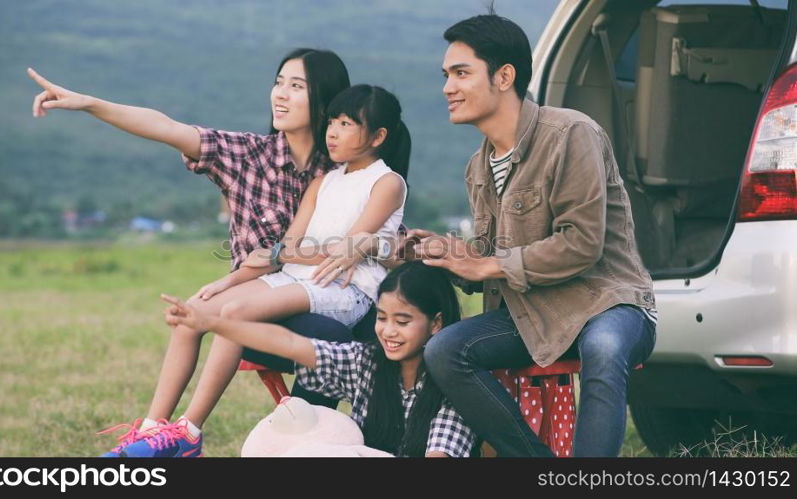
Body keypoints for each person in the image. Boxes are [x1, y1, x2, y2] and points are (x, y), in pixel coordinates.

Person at [27, 49, 364, 445]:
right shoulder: (247, 155)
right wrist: (89, 104)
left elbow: (380, 222)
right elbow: (166, 127)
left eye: (296, 86)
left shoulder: (346, 171)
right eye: (278, 83)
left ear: (325, 97)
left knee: (328, 335)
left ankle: (304, 443)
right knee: (192, 314)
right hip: (251, 304)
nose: (280, 95)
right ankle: (155, 435)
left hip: (316, 307)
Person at [101, 84, 411, 457]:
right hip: (296, 278)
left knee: (236, 315)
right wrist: (227, 280)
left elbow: (349, 246)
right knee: (193, 314)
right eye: (332, 121)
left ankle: (189, 432)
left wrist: (295, 251)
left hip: (345, 290)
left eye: (347, 124)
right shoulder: (322, 182)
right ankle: (151, 433)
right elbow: (286, 251)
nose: (333, 131)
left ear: (378, 136)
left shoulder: (387, 182)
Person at [410, 14, 657, 457]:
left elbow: (581, 243)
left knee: (602, 347)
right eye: (446, 75)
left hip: (606, 302)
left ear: (504, 76)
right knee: (445, 350)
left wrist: (487, 262)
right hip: (530, 314)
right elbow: (491, 260)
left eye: (461, 73)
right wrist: (451, 255)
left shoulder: (571, 133)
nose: (448, 87)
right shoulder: (477, 168)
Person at [162, 261, 476, 457]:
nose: (388, 332)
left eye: (403, 322)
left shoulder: (453, 385)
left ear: (435, 323)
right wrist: (211, 322)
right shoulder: (367, 362)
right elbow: (290, 344)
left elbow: (441, 455)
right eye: (381, 318)